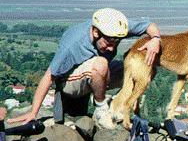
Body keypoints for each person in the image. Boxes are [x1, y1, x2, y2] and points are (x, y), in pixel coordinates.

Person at [9, 8, 161, 129]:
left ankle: (116, 105)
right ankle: (102, 110)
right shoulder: (74, 44)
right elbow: (49, 77)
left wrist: (155, 39)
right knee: (100, 63)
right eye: (107, 43)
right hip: (70, 83)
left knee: (146, 68)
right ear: (96, 32)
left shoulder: (113, 28)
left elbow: (149, 26)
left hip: (99, 74)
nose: (111, 49)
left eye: (115, 44)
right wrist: (33, 112)